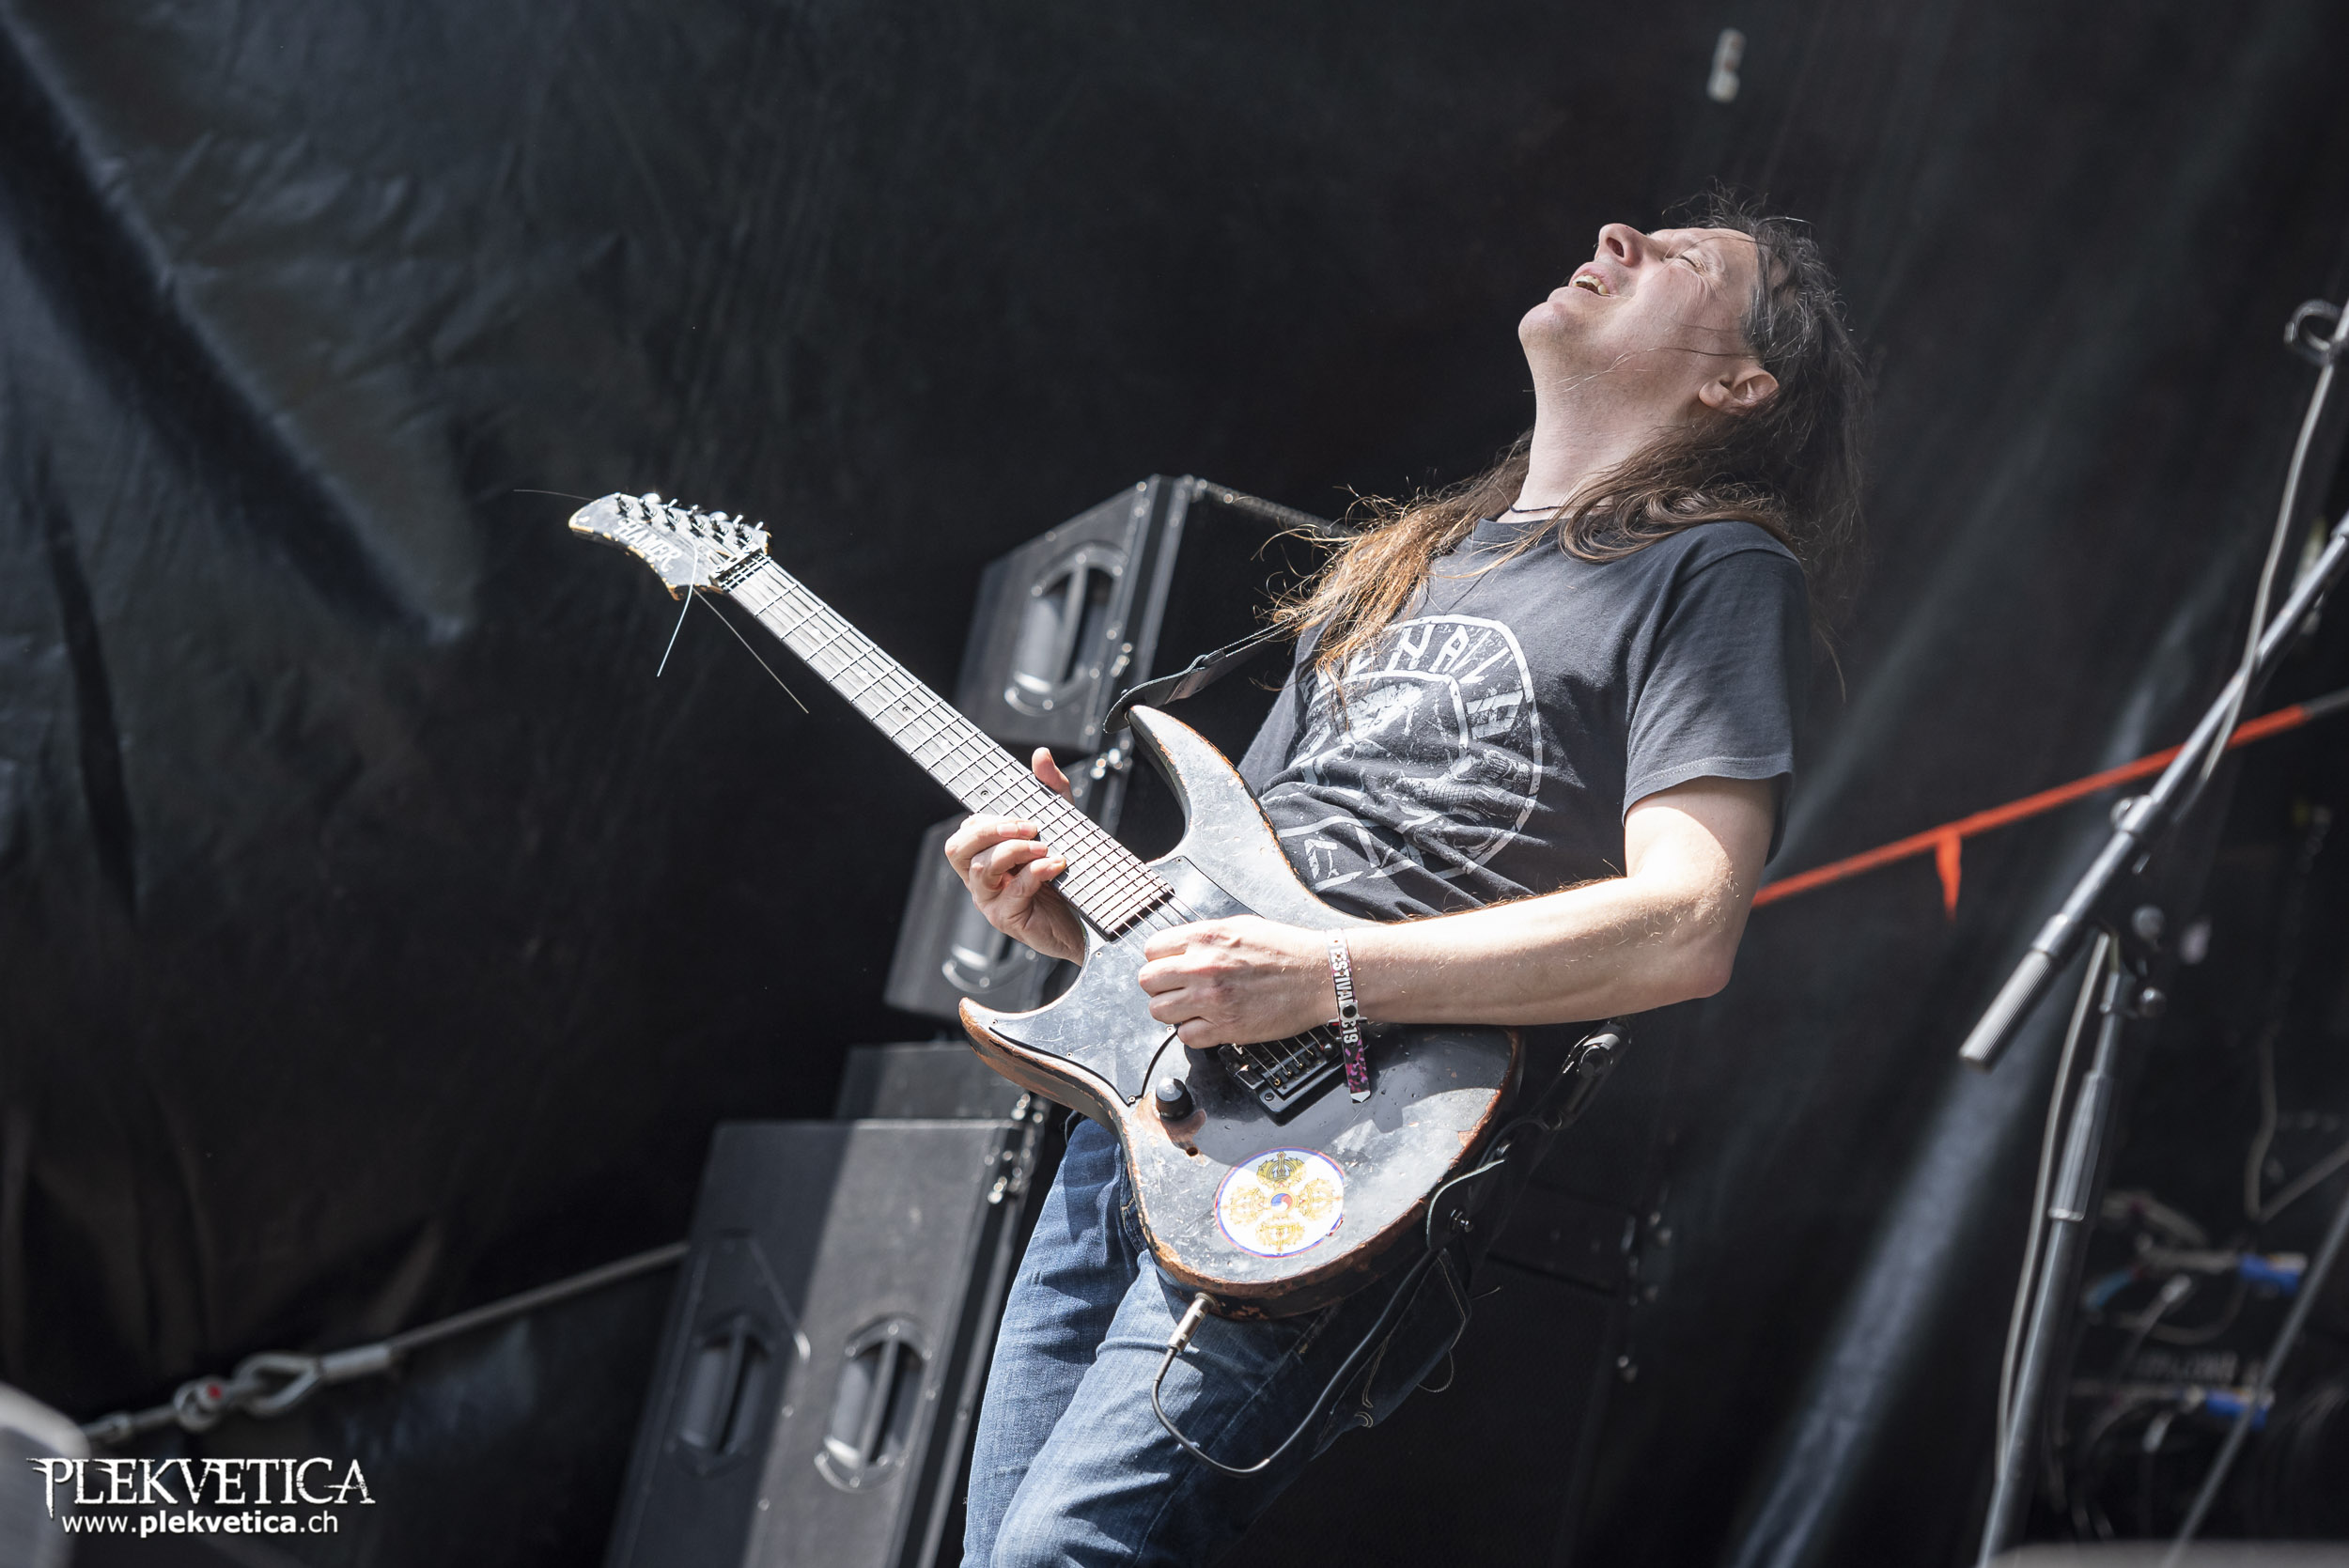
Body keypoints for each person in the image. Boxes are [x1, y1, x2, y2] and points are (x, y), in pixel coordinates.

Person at [943, 197, 1866, 1568]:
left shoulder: (1719, 570)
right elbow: (1236, 895)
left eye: (1681, 260)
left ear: (1738, 385)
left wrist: (1325, 978)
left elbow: (1687, 924)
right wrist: (1077, 924)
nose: (1618, 235)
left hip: (1352, 1145)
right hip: (1147, 1118)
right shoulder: (1406, 562)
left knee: (1056, 1555)